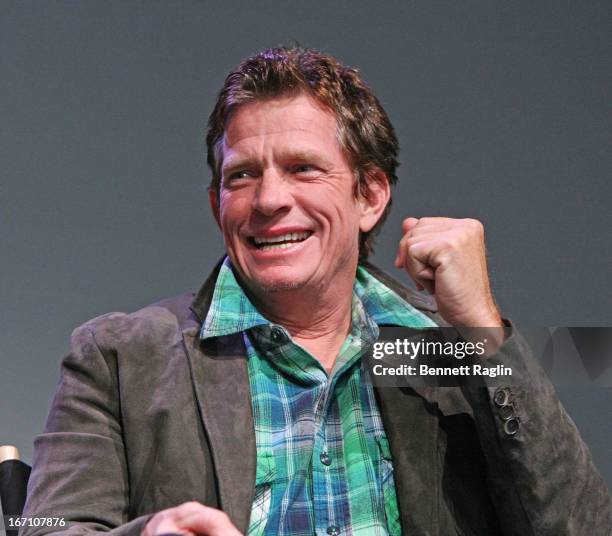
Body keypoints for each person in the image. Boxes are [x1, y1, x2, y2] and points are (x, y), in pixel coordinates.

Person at [22, 46, 611, 536]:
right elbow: (41, 526)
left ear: (370, 196)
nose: (269, 199)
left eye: (303, 168)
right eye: (242, 175)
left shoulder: (435, 347)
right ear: (216, 205)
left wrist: (483, 332)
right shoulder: (122, 356)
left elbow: (578, 524)